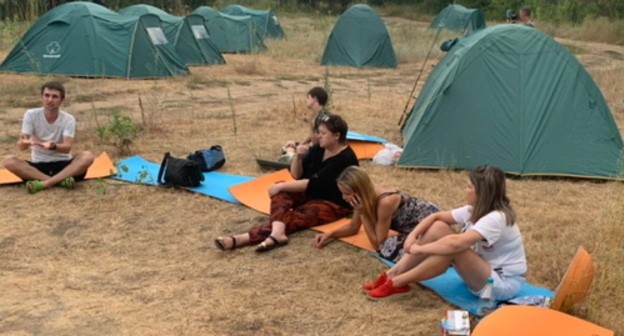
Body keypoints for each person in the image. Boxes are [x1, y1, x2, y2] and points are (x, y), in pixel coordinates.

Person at [364, 165, 527, 301]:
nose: (465, 190)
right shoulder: (474, 210)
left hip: (500, 285)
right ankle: (392, 273)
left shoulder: (496, 218)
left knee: (454, 247)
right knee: (438, 227)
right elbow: (436, 216)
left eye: (469, 187)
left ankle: (397, 282)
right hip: (482, 273)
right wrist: (412, 237)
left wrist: (419, 249)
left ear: (482, 193)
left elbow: (455, 244)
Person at [215, 114, 358, 252]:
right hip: (310, 193)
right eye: (318, 132)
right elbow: (296, 174)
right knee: (281, 194)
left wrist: (280, 186)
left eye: (323, 133)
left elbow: (311, 183)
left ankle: (243, 238)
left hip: (333, 203)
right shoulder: (320, 148)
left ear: (337, 136)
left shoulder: (345, 159)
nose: (318, 136)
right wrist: (298, 157)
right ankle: (277, 234)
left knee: (294, 215)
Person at [314, 166, 440, 263]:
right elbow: (353, 227)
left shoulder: (384, 202)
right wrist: (329, 234)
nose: (344, 197)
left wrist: (362, 213)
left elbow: (378, 243)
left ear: (360, 190)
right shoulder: (363, 199)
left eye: (347, 193)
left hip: (428, 223)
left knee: (389, 250)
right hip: (411, 228)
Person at [2, 81, 95, 194]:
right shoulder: (31, 114)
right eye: (47, 95)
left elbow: (67, 148)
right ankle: (59, 181)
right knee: (8, 161)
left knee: (88, 156)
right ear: (42, 97)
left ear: (62, 100)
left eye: (54, 96)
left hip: (63, 164)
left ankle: (45, 183)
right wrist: (24, 143)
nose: (50, 100)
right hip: (38, 167)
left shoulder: (68, 119)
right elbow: (22, 146)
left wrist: (53, 146)